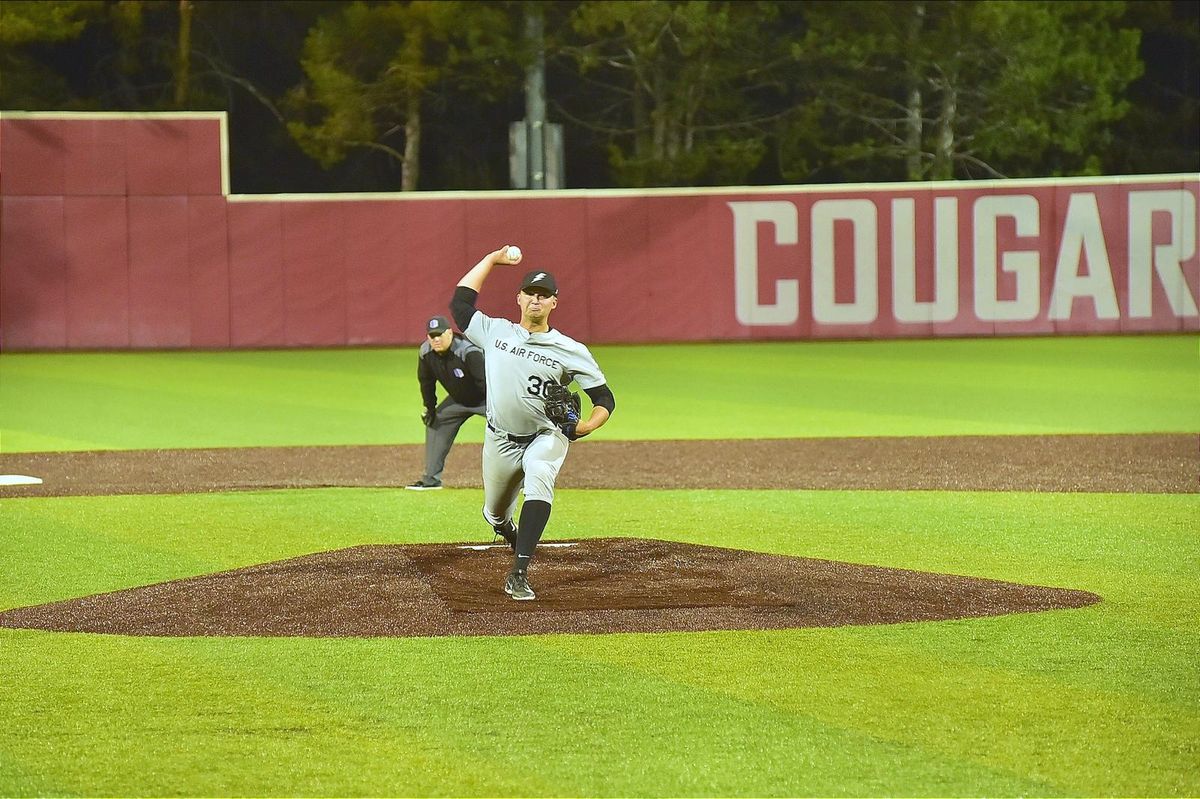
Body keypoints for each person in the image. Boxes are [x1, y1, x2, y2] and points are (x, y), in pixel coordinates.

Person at [450, 245, 615, 601]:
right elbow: (460, 305)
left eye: (544, 296)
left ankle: (519, 572)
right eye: (531, 294)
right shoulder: (495, 331)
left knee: (540, 476)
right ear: (519, 299)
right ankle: (506, 529)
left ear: (555, 302)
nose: (536, 300)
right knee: (494, 513)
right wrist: (491, 259)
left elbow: (605, 399)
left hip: (546, 434)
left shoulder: (570, 349)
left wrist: (587, 425)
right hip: (500, 440)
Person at [407, 315, 487, 491]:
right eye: (432, 336)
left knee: (509, 429)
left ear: (450, 333)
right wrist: (429, 408)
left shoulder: (468, 351)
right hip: (458, 401)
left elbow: (486, 383)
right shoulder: (426, 352)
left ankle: (521, 481)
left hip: (487, 399)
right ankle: (431, 480)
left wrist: (501, 411)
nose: (436, 339)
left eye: (440, 334)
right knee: (435, 422)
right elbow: (426, 382)